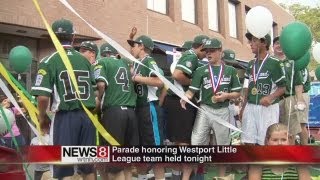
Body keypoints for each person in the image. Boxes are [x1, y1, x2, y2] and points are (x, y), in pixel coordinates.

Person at [31, 18, 97, 180]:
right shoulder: (85, 60)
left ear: (52, 37)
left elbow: (42, 97)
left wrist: (41, 117)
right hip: (87, 117)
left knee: (63, 168)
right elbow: (95, 94)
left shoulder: (49, 61)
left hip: (66, 118)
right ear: (73, 37)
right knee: (87, 167)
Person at [180, 38, 241, 177]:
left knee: (222, 147)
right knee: (196, 143)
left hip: (223, 111)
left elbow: (238, 92)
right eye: (206, 51)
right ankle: (196, 175)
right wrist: (185, 98)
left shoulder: (231, 70)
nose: (208, 54)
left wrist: (226, 96)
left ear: (221, 51)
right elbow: (191, 91)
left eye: (212, 51)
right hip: (205, 109)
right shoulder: (201, 70)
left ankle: (221, 177)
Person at [95, 43, 139, 180]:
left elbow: (101, 84)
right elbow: (134, 77)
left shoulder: (101, 62)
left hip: (114, 112)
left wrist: (99, 97)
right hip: (131, 112)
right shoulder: (126, 63)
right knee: (126, 161)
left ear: (103, 53)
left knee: (114, 163)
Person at [170, 35, 208, 180]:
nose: (207, 54)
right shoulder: (191, 55)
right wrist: (194, 83)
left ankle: (185, 176)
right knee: (185, 143)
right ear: (201, 47)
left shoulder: (193, 58)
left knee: (186, 142)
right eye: (206, 50)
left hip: (183, 103)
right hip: (183, 103)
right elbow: (177, 74)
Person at [127, 35, 165, 180]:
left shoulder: (148, 60)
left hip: (149, 107)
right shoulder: (137, 62)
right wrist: (130, 37)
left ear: (142, 46)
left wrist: (136, 78)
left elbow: (160, 81)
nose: (132, 48)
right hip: (139, 108)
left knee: (156, 150)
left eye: (134, 45)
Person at [240, 33, 286, 145]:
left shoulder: (275, 63)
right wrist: (243, 107)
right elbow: (248, 88)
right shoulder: (251, 64)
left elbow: (283, 87)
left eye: (254, 40)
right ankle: (252, 162)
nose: (250, 44)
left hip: (268, 108)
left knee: (266, 142)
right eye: (250, 41)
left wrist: (270, 97)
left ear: (264, 43)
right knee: (248, 141)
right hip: (250, 107)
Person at [272, 36, 306, 145]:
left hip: (288, 100)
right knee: (273, 131)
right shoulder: (269, 62)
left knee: (290, 132)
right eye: (277, 43)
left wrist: (300, 100)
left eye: (282, 43)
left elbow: (298, 83)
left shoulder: (292, 62)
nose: (279, 45)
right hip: (273, 101)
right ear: (273, 46)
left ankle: (290, 157)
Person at [299, 68, 311, 144]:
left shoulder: (301, 65)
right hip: (296, 95)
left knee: (301, 125)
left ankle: (304, 149)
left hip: (301, 95)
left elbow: (301, 85)